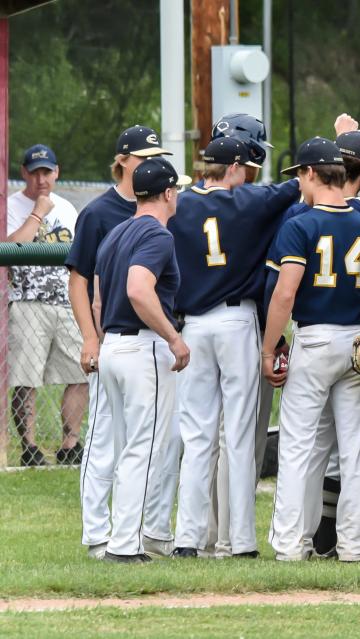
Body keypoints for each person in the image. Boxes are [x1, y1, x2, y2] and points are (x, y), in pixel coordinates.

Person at [168, 137, 300, 559]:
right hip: (236, 320)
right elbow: (299, 183)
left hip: (193, 324)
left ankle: (188, 539)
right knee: (239, 435)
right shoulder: (249, 201)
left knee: (197, 436)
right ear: (235, 168)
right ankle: (240, 541)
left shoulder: (181, 205)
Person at [262, 137, 360, 562]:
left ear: (312, 173)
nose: (300, 185)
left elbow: (284, 292)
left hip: (314, 339)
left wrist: (269, 346)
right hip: (357, 341)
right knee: (355, 450)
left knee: (298, 446)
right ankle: (354, 545)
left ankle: (290, 544)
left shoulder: (301, 224)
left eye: (300, 176)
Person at [65, 125, 174, 560]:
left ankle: (137, 533)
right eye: (144, 156)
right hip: (117, 340)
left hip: (133, 343)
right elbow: (80, 281)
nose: (150, 162)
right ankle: (98, 535)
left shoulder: (157, 211)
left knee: (140, 443)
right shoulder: (100, 213)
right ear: (123, 160)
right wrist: (90, 338)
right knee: (104, 440)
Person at [92, 157, 192, 563]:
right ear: (168, 193)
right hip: (142, 347)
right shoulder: (158, 234)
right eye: (177, 189)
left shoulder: (115, 232)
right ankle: (124, 546)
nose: (179, 195)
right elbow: (138, 288)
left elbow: (99, 299)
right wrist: (173, 337)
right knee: (144, 449)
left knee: (127, 448)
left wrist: (105, 343)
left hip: (114, 345)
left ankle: (123, 539)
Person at [6, 144, 86, 467]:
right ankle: (30, 447)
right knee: (27, 378)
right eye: (35, 171)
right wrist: (37, 212)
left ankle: (70, 444)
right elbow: (11, 247)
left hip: (66, 302)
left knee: (79, 371)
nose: (41, 179)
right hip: (27, 303)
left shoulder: (68, 209)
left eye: (47, 172)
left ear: (57, 172)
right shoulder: (12, 204)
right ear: (24, 172)